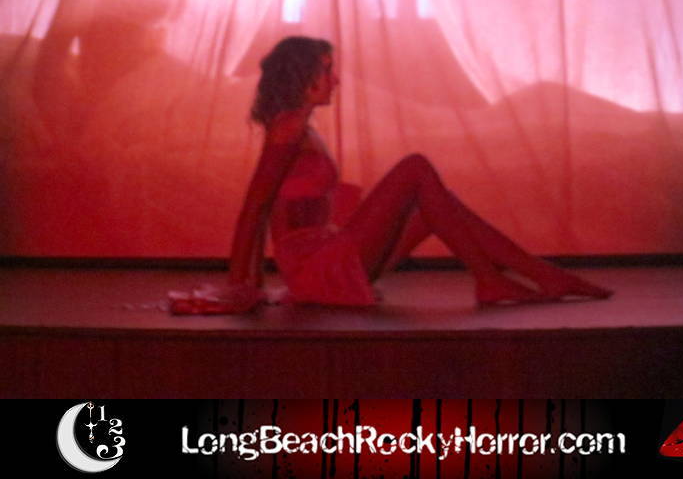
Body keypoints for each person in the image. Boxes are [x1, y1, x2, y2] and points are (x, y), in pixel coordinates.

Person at [169, 36, 612, 313]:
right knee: (415, 168)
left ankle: (531, 274)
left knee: (436, 207)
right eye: (327, 70)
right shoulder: (288, 128)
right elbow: (256, 207)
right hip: (317, 268)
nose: (336, 80)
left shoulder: (299, 125)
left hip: (325, 258)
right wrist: (241, 285)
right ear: (304, 77)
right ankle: (498, 278)